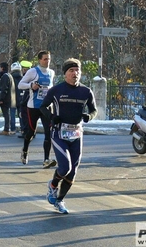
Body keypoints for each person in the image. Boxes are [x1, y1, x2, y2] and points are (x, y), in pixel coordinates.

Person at [40, 58, 97, 214]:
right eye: (71, 71)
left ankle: (59, 200)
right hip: (59, 132)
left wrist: (89, 117)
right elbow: (43, 107)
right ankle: (52, 186)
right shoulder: (56, 90)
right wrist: (52, 118)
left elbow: (93, 110)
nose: (75, 73)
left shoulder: (86, 91)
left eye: (77, 70)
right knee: (65, 167)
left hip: (77, 133)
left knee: (72, 172)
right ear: (65, 74)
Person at [18, 50, 56, 168]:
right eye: (45, 59)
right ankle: (24, 151)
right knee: (31, 132)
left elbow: (50, 87)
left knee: (48, 132)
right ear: (39, 60)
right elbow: (20, 85)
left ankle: (46, 159)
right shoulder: (33, 71)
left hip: (46, 107)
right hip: (33, 107)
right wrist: (31, 85)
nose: (47, 61)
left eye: (49, 59)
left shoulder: (51, 72)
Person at [0, 62, 16, 136]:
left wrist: (1, 98)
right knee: (7, 114)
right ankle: (8, 128)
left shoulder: (4, 76)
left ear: (2, 68)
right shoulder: (9, 75)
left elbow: (4, 88)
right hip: (10, 98)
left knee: (6, 114)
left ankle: (6, 129)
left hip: (5, 99)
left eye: (0, 67)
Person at [18, 60, 32, 139]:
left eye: (24, 69)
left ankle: (27, 132)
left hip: (27, 101)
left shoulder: (28, 78)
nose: (23, 71)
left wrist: (23, 101)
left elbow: (26, 89)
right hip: (27, 100)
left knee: (26, 117)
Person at [10, 62, 23, 134]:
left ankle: (13, 129)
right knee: (21, 115)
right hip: (21, 98)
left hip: (12, 99)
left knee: (12, 114)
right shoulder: (22, 78)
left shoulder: (10, 78)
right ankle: (22, 129)